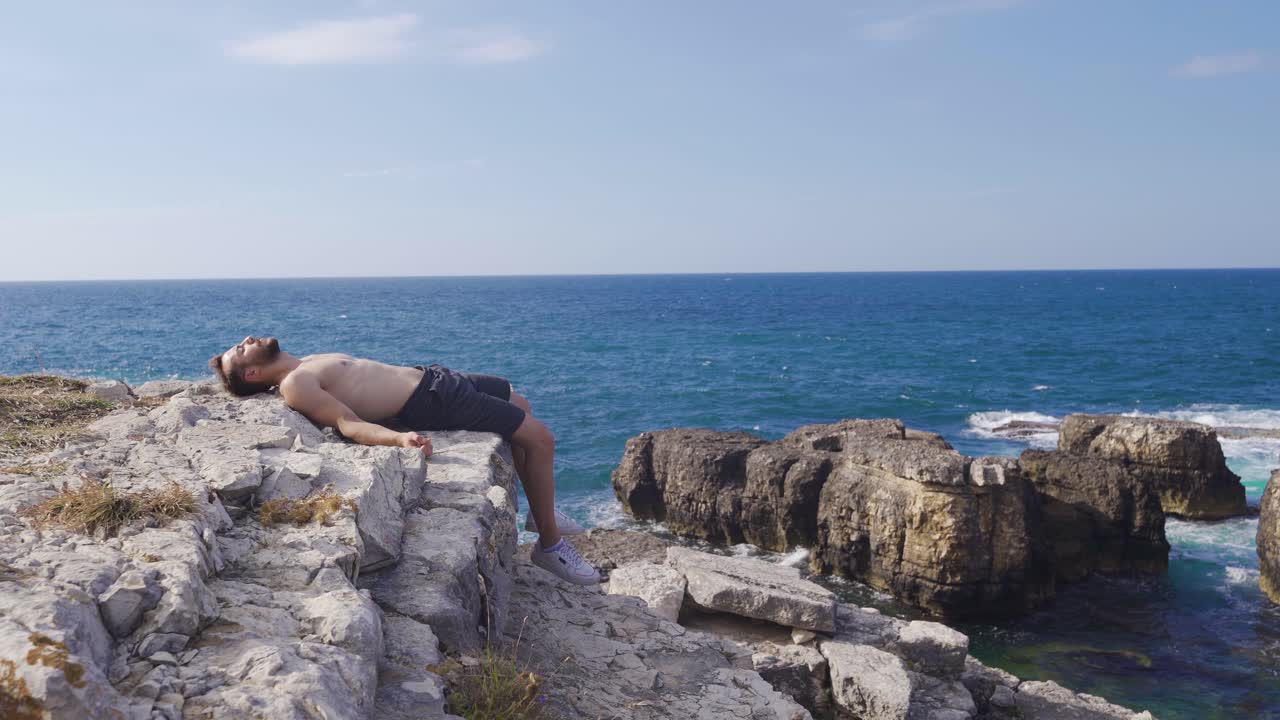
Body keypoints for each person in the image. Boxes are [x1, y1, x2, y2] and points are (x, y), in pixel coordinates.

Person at [208, 335, 599, 585]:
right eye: (240, 350)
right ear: (254, 372)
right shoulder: (295, 385)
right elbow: (348, 422)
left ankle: (539, 511)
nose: (246, 339)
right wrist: (397, 438)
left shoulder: (304, 361)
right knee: (541, 439)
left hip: (434, 378)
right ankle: (550, 547)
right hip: (433, 401)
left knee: (522, 405)